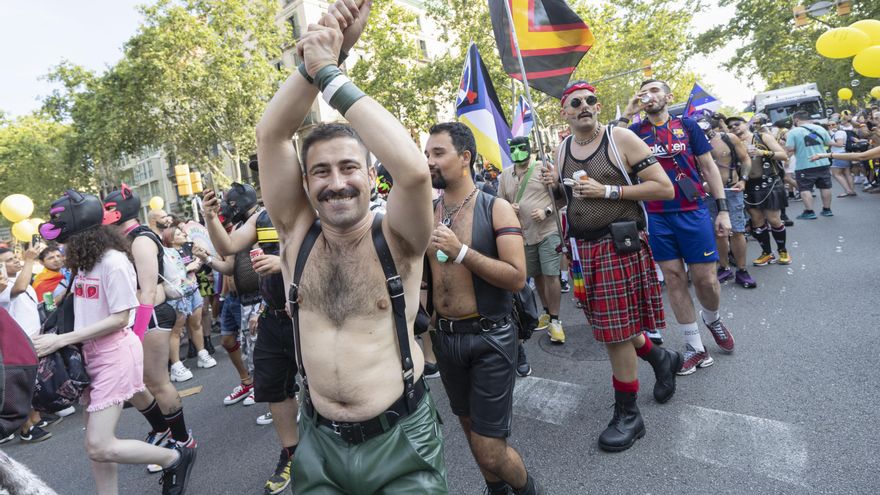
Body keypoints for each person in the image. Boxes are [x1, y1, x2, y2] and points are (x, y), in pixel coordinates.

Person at [256, 0, 446, 491]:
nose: (336, 183)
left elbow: (414, 170)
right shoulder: (297, 231)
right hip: (317, 442)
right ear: (304, 181)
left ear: (369, 176)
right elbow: (271, 133)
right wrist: (319, 60)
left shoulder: (399, 237)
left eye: (348, 168)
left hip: (401, 439)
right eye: (321, 171)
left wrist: (330, 72)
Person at [543, 81, 681, 452]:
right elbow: (569, 200)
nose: (584, 106)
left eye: (590, 101)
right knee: (610, 324)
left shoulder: (620, 139)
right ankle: (660, 357)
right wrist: (555, 186)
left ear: (598, 106)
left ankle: (629, 415)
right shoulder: (561, 150)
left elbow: (663, 188)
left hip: (619, 245)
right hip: (583, 251)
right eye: (576, 103)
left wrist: (610, 191)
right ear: (565, 112)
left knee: (616, 333)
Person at [33, 189, 195, 495]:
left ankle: (175, 457)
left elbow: (122, 318)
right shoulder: (84, 263)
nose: (59, 248)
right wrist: (48, 336)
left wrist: (61, 341)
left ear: (80, 235)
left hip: (114, 354)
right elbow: (80, 312)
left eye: (63, 241)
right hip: (90, 355)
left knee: (98, 444)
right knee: (97, 445)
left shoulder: (113, 262)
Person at [426, 122, 538, 494]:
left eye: (437, 153)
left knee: (490, 450)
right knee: (474, 438)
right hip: (446, 340)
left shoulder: (497, 208)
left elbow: (516, 277)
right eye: (427, 154)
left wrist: (460, 251)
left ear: (465, 158)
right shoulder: (429, 211)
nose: (429, 161)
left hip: (489, 337)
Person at [621, 79, 736, 376]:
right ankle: (695, 347)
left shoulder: (687, 126)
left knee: (705, 280)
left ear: (668, 97)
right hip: (656, 215)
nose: (649, 95)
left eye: (655, 90)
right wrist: (628, 110)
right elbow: (611, 140)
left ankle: (712, 318)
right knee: (673, 279)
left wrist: (722, 210)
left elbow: (709, 167)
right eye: (643, 91)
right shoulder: (634, 133)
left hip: (693, 210)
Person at [201, 176, 301, 495]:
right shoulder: (261, 217)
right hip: (272, 317)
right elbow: (228, 247)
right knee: (274, 390)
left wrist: (283, 263)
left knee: (323, 388)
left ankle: (331, 453)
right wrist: (208, 216)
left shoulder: (307, 208)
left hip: (308, 315)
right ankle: (292, 456)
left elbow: (328, 254)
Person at [101, 185, 197, 474]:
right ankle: (164, 432)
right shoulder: (125, 239)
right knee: (136, 383)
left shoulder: (140, 240)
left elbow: (146, 292)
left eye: (108, 208)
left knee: (157, 382)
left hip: (152, 316)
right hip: (139, 318)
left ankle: (183, 441)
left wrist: (136, 332)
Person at [498, 136, 566, 348]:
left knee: (551, 274)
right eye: (514, 148)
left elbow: (563, 198)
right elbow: (500, 203)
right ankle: (546, 311)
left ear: (529, 148)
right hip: (523, 235)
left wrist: (546, 211)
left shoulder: (544, 169)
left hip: (548, 231)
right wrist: (509, 208)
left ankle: (555, 320)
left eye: (522, 148)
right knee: (536, 275)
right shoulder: (504, 176)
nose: (518, 152)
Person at [0, 244, 52, 444]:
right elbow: (19, 288)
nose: (15, 261)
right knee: (17, 384)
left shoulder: (18, 278)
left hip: (26, 339)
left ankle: (34, 419)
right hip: (13, 345)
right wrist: (29, 259)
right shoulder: (7, 285)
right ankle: (25, 427)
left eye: (15, 258)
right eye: (9, 260)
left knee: (28, 380)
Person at [697, 114, 756, 288]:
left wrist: (743, 179)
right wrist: (701, 185)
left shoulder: (728, 138)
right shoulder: (690, 145)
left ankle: (742, 270)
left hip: (732, 190)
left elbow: (745, 159)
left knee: (737, 231)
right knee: (719, 233)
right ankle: (724, 267)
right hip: (709, 196)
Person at [728, 115, 793, 266]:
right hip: (748, 185)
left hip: (769, 182)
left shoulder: (763, 137)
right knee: (757, 221)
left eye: (737, 124)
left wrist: (761, 152)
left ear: (746, 124)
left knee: (774, 219)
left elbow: (783, 156)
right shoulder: (731, 143)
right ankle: (767, 253)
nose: (734, 128)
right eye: (730, 126)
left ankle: (783, 251)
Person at [161, 226, 216, 382]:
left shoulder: (188, 248)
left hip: (193, 291)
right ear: (170, 239)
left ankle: (202, 353)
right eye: (178, 234)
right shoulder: (165, 254)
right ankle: (176, 365)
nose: (183, 234)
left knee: (196, 324)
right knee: (176, 331)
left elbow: (200, 265)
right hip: (177, 296)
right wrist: (187, 268)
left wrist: (198, 260)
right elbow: (170, 274)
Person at [786, 111, 833, 219]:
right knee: (825, 186)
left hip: (804, 164)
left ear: (796, 120)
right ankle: (827, 209)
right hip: (823, 162)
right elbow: (828, 143)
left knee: (805, 189)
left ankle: (809, 211)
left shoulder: (793, 132)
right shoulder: (820, 128)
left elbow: (790, 149)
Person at [827, 120, 857, 197]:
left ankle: (848, 190)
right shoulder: (839, 132)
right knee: (847, 173)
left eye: (833, 124)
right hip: (843, 154)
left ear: (837, 124)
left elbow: (840, 144)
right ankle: (851, 190)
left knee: (836, 174)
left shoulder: (839, 133)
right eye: (829, 125)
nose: (831, 126)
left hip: (838, 155)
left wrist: (828, 142)